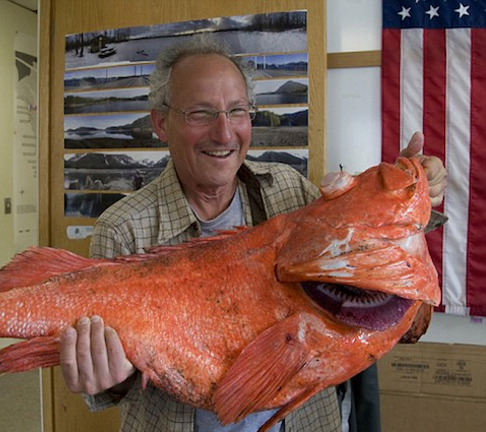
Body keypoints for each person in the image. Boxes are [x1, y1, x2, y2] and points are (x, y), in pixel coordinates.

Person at [59, 35, 447, 432]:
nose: (224, 133)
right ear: (161, 122)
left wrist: (414, 199)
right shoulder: (122, 228)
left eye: (237, 111)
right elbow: (105, 388)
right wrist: (109, 372)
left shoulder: (291, 190)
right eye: (201, 113)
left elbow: (366, 268)